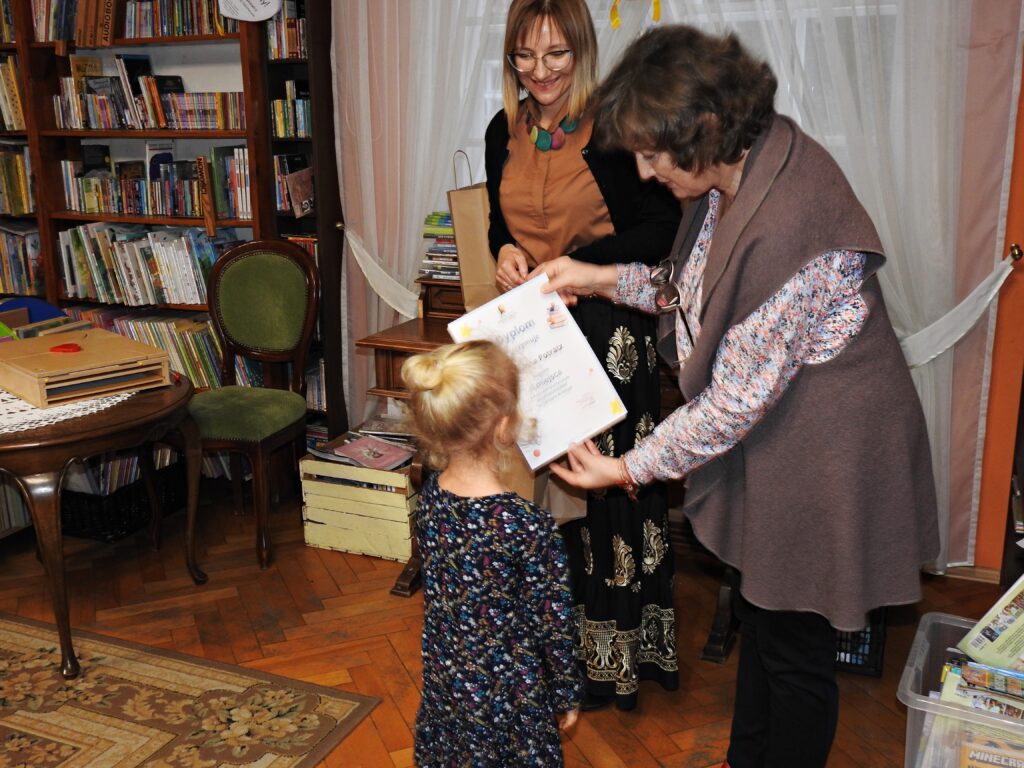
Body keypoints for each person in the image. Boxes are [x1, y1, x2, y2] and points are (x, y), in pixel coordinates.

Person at [532, 24, 940, 768]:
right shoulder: (738, 174)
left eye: (655, 156)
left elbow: (729, 405)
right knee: (766, 610)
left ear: (705, 132)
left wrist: (626, 469)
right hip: (788, 429)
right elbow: (689, 292)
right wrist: (588, 277)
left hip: (828, 447)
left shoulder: (790, 223)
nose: (649, 175)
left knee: (794, 648)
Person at [486, 0, 681, 711]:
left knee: (603, 496)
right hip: (535, 332)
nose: (540, 73)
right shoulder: (500, 131)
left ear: (583, 51)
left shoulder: (615, 128)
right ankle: (552, 653)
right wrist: (505, 253)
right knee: (544, 498)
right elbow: (491, 225)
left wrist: (575, 262)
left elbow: (662, 228)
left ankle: (615, 664)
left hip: (608, 331)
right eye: (525, 57)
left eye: (556, 56)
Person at [403, 340, 582, 767]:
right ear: (505, 427)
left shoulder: (429, 500)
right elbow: (553, 624)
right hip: (511, 694)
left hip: (448, 675)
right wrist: (565, 694)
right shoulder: (528, 525)